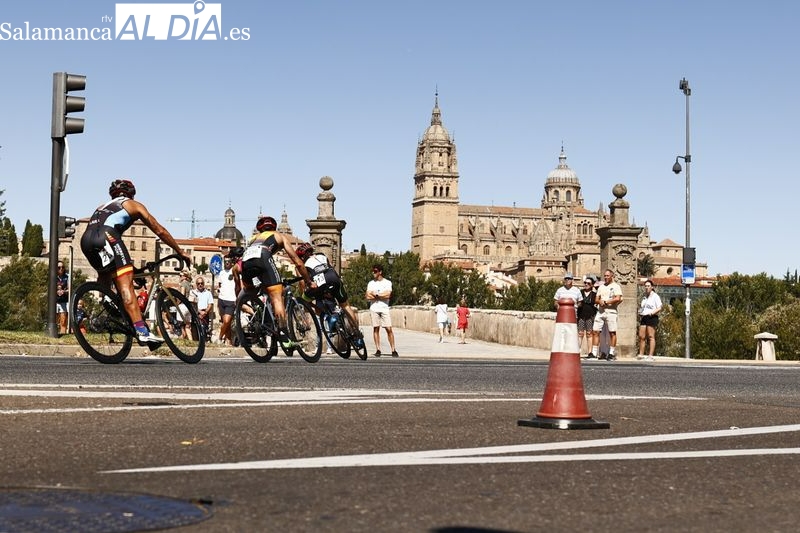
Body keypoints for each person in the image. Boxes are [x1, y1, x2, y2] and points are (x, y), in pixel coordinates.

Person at [80, 179, 190, 345]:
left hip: (86, 241)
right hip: (108, 236)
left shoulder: (101, 207)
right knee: (126, 285)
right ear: (131, 194)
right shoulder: (133, 205)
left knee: (106, 272)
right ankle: (142, 331)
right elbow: (159, 230)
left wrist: (133, 269)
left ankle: (108, 300)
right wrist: (180, 251)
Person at [240, 216, 313, 349]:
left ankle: (260, 317)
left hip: (245, 263)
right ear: (274, 228)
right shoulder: (279, 236)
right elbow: (297, 261)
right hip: (263, 258)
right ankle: (284, 337)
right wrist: (308, 280)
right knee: (277, 297)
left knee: (254, 292)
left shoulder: (252, 239)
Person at [294, 243, 364, 349]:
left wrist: (304, 292)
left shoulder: (302, 264)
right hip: (334, 278)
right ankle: (357, 335)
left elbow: (302, 283)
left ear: (302, 257)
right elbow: (331, 267)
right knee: (346, 306)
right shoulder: (322, 256)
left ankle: (325, 315)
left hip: (320, 283)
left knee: (304, 300)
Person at [590, 269, 623, 361]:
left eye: (608, 275)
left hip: (611, 311)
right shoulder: (601, 287)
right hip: (601, 311)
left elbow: (618, 298)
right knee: (595, 331)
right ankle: (594, 352)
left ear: (612, 276)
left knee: (612, 332)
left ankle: (611, 353)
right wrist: (600, 301)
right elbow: (596, 299)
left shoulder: (616, 286)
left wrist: (607, 302)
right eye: (605, 275)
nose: (606, 277)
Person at [365, 264, 397, 356]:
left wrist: (376, 295)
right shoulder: (371, 283)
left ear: (380, 272)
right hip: (374, 308)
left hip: (384, 308)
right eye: (373, 271)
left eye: (375, 271)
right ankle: (378, 349)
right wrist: (381, 296)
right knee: (376, 328)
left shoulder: (387, 283)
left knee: (389, 329)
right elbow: (367, 296)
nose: (373, 273)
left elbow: (388, 295)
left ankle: (393, 350)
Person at [215, 254, 239, 346]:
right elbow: (219, 285)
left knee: (227, 321)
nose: (227, 263)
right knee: (226, 323)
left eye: (229, 261)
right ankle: (229, 341)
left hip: (231, 300)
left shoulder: (234, 271)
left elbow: (238, 285)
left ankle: (219, 338)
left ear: (232, 262)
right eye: (225, 261)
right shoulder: (221, 273)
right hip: (221, 299)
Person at [637, 279, 663, 360]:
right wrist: (640, 311)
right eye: (645, 286)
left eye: (648, 286)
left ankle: (650, 355)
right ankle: (641, 354)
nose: (647, 287)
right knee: (641, 336)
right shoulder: (644, 297)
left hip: (652, 317)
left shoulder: (655, 296)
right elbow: (643, 307)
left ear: (652, 287)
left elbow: (659, 307)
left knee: (651, 336)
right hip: (644, 316)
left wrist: (652, 313)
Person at [577, 276, 598, 357]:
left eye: (588, 283)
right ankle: (577, 351)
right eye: (585, 283)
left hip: (590, 316)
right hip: (581, 315)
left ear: (592, 285)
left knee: (589, 333)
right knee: (580, 333)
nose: (586, 284)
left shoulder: (594, 294)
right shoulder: (580, 292)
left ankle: (590, 352)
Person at [55, 261, 69, 335]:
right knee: (55, 319)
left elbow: (70, 288)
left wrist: (64, 291)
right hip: (55, 301)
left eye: (62, 267)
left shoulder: (67, 277)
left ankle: (63, 333)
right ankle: (55, 333)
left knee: (63, 320)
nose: (61, 269)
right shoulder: (53, 277)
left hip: (64, 301)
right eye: (59, 267)